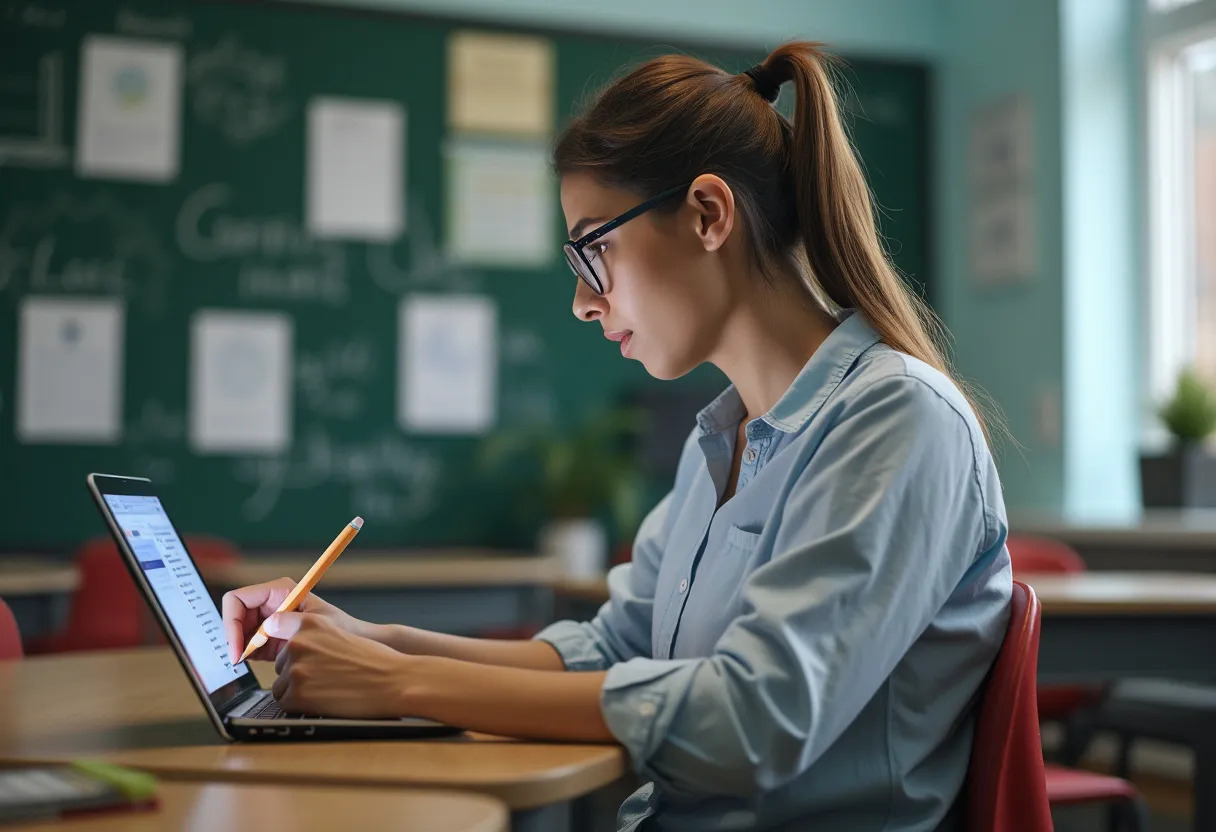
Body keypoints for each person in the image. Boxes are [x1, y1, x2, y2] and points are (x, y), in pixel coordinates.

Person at [223, 41, 1011, 831]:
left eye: (593, 249)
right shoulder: (722, 442)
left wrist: (397, 685)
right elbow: (610, 651)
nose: (582, 301)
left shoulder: (898, 420)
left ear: (709, 214)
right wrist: (371, 642)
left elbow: (754, 721)